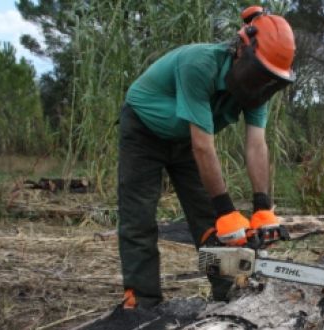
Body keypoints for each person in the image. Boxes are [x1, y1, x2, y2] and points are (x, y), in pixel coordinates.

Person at [117, 6, 296, 309]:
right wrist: (226, 207)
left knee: (209, 221)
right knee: (139, 216)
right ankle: (142, 300)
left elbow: (256, 145)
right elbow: (203, 146)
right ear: (241, 48)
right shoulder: (199, 64)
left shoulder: (256, 89)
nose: (262, 83)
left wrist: (263, 206)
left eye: (269, 78)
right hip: (145, 131)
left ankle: (228, 290)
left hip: (186, 139)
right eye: (259, 72)